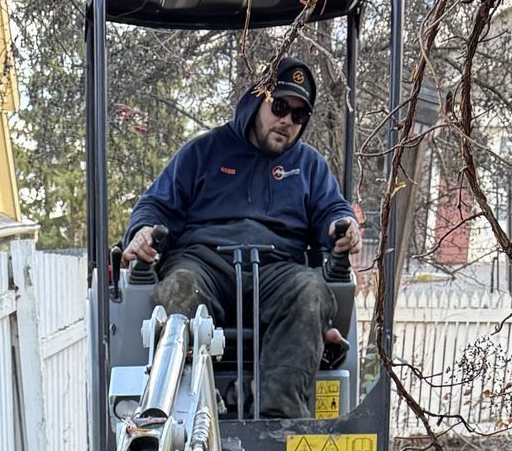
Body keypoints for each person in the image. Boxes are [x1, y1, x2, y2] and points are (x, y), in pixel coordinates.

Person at [120, 56, 364, 419]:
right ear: (256, 100)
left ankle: (279, 420)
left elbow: (332, 210)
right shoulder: (203, 153)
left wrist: (340, 227)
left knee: (311, 291)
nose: (287, 120)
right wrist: (141, 232)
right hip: (205, 263)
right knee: (179, 289)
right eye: (279, 106)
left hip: (277, 269)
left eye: (298, 115)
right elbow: (156, 205)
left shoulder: (309, 165)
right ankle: (187, 408)